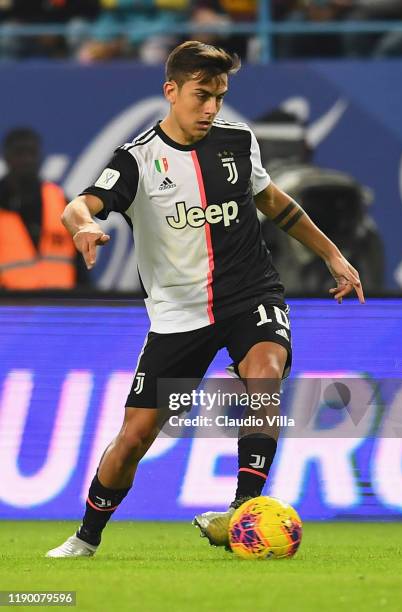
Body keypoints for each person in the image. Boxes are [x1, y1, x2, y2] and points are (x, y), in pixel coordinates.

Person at [46, 40, 364, 558]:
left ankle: (242, 514)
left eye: (219, 95)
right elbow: (80, 206)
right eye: (201, 96)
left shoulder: (238, 142)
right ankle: (86, 536)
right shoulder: (138, 158)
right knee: (136, 436)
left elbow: (274, 201)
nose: (212, 108)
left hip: (250, 293)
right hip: (179, 314)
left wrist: (333, 256)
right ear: (171, 92)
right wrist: (83, 228)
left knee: (265, 374)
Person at [0, 128, 76, 290]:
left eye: (32, 153)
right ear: (6, 158)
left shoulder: (60, 201)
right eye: (19, 153)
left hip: (59, 306)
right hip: (8, 309)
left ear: (40, 157)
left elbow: (81, 264)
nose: (27, 160)